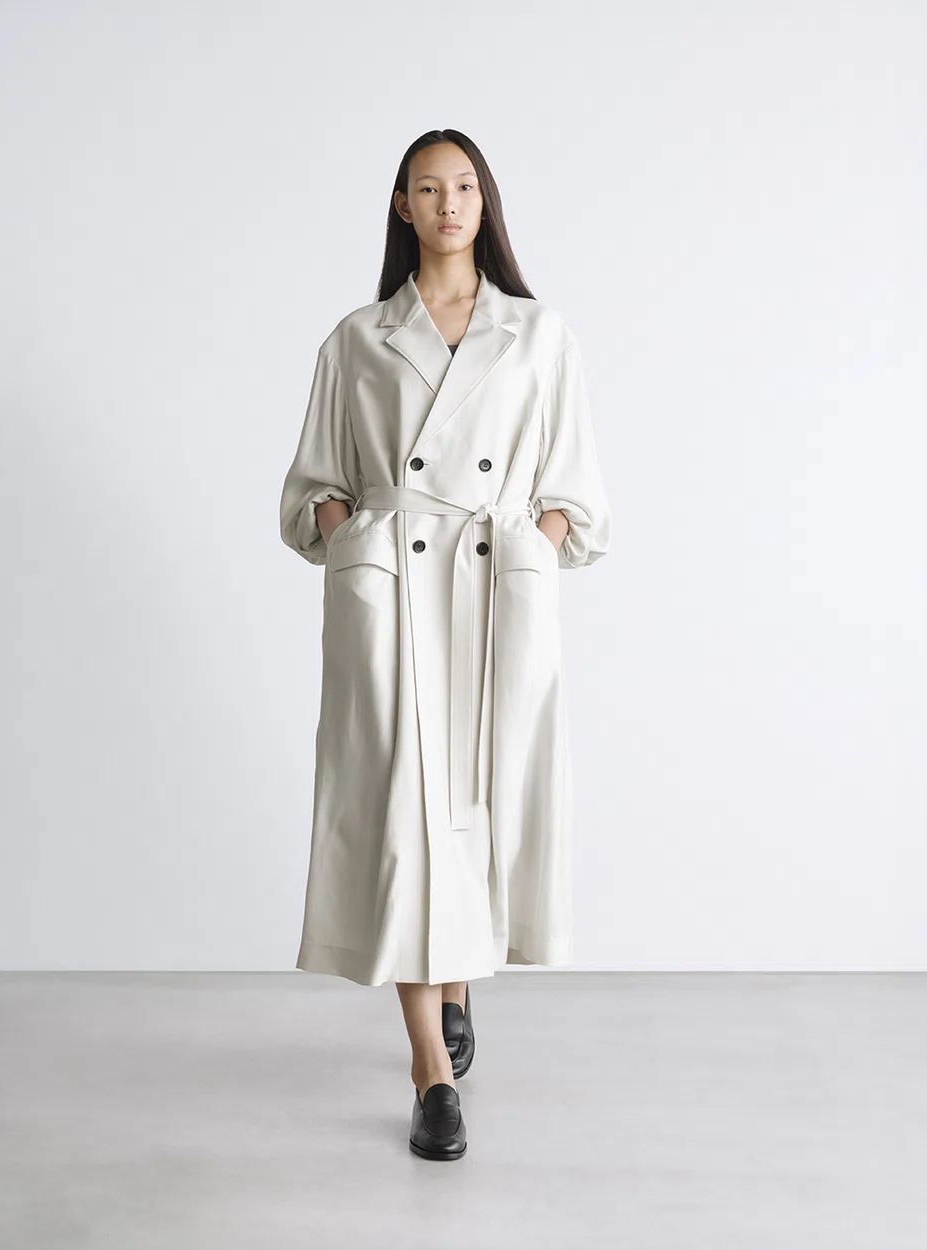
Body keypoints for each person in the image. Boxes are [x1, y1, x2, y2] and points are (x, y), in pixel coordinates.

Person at [279, 128, 612, 1160]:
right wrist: (351, 535)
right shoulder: (357, 339)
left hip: (493, 589)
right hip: (392, 593)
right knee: (401, 812)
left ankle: (458, 979)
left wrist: (534, 545)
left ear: (485, 200)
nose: (449, 203)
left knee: (476, 801)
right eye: (428, 188)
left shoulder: (538, 334)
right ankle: (431, 1069)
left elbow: (576, 489)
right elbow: (313, 483)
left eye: (464, 185)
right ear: (402, 205)